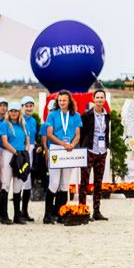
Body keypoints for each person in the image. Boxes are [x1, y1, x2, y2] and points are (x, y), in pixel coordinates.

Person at [43, 90, 82, 224]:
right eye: (60, 100)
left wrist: (72, 144)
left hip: (69, 150)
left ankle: (60, 213)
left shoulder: (76, 115)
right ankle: (47, 215)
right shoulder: (52, 115)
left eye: (64, 100)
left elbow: (77, 134)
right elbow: (50, 134)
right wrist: (63, 144)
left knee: (64, 184)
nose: (62, 103)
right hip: (56, 148)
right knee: (54, 183)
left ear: (69, 101)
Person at [79, 89, 111, 221]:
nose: (99, 100)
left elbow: (105, 132)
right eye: (97, 97)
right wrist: (83, 148)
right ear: (93, 99)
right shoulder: (86, 115)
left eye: (101, 97)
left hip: (102, 152)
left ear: (104, 99)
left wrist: (106, 147)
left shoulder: (107, 115)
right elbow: (81, 134)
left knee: (98, 183)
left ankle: (96, 211)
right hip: (89, 151)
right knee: (84, 182)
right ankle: (82, 210)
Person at [0, 101, 31, 224]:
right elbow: (5, 142)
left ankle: (17, 215)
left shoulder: (24, 125)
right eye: (11, 111)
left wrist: (25, 151)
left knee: (18, 184)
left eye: (16, 111)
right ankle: (4, 215)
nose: (13, 113)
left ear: (19, 112)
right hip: (9, 154)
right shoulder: (4, 124)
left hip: (20, 155)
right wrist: (16, 152)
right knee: (6, 184)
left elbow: (27, 140)